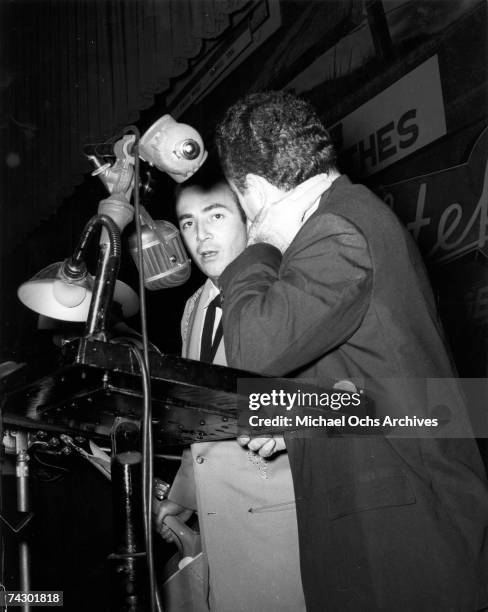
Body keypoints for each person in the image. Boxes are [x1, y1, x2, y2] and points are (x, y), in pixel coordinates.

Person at [215, 91, 488, 611]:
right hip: (388, 530)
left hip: (405, 539)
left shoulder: (336, 229)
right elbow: (374, 382)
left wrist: (254, 252)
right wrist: (288, 413)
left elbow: (252, 350)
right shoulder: (347, 218)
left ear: (249, 188)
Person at [155, 176, 307, 611]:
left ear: (248, 218)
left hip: (280, 526)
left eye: (216, 216)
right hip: (219, 532)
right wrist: (181, 502)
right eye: (187, 223)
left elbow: (345, 403)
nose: (200, 236)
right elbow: (200, 426)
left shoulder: (287, 287)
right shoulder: (192, 309)